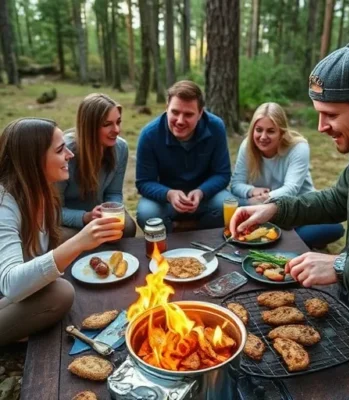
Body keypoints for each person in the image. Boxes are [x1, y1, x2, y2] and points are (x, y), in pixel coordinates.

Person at [229, 42, 349, 360]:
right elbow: (338, 198)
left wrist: (342, 266)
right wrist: (275, 209)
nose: (321, 128)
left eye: (330, 115)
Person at [0, 118, 124, 346]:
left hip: (20, 287)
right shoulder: (4, 204)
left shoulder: (41, 191)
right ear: (33, 160)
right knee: (61, 293)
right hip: (6, 294)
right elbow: (10, 283)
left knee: (93, 239)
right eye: (60, 150)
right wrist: (79, 242)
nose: (70, 154)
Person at [231, 102, 344, 248]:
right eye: (259, 130)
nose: (263, 137)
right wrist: (251, 190)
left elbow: (291, 189)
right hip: (261, 211)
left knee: (334, 228)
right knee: (233, 205)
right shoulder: (247, 146)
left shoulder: (298, 148)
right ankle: (282, 240)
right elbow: (236, 184)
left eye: (271, 131)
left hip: (298, 210)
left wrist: (266, 199)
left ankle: (285, 240)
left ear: (281, 132)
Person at [136, 80, 232, 232]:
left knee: (228, 204)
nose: (180, 121)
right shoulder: (149, 134)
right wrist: (169, 194)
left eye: (188, 114)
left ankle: (186, 229)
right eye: (175, 112)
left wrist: (201, 192)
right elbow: (144, 182)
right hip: (166, 200)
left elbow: (222, 174)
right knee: (147, 213)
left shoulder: (216, 127)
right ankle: (182, 233)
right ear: (166, 107)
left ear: (200, 113)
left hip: (204, 198)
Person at [58, 93, 136, 241]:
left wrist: (112, 212)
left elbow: (114, 193)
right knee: (64, 238)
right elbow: (53, 211)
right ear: (89, 127)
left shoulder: (120, 148)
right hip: (69, 220)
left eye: (118, 122)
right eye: (107, 124)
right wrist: (85, 217)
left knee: (128, 226)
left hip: (98, 215)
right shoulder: (65, 152)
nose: (116, 130)